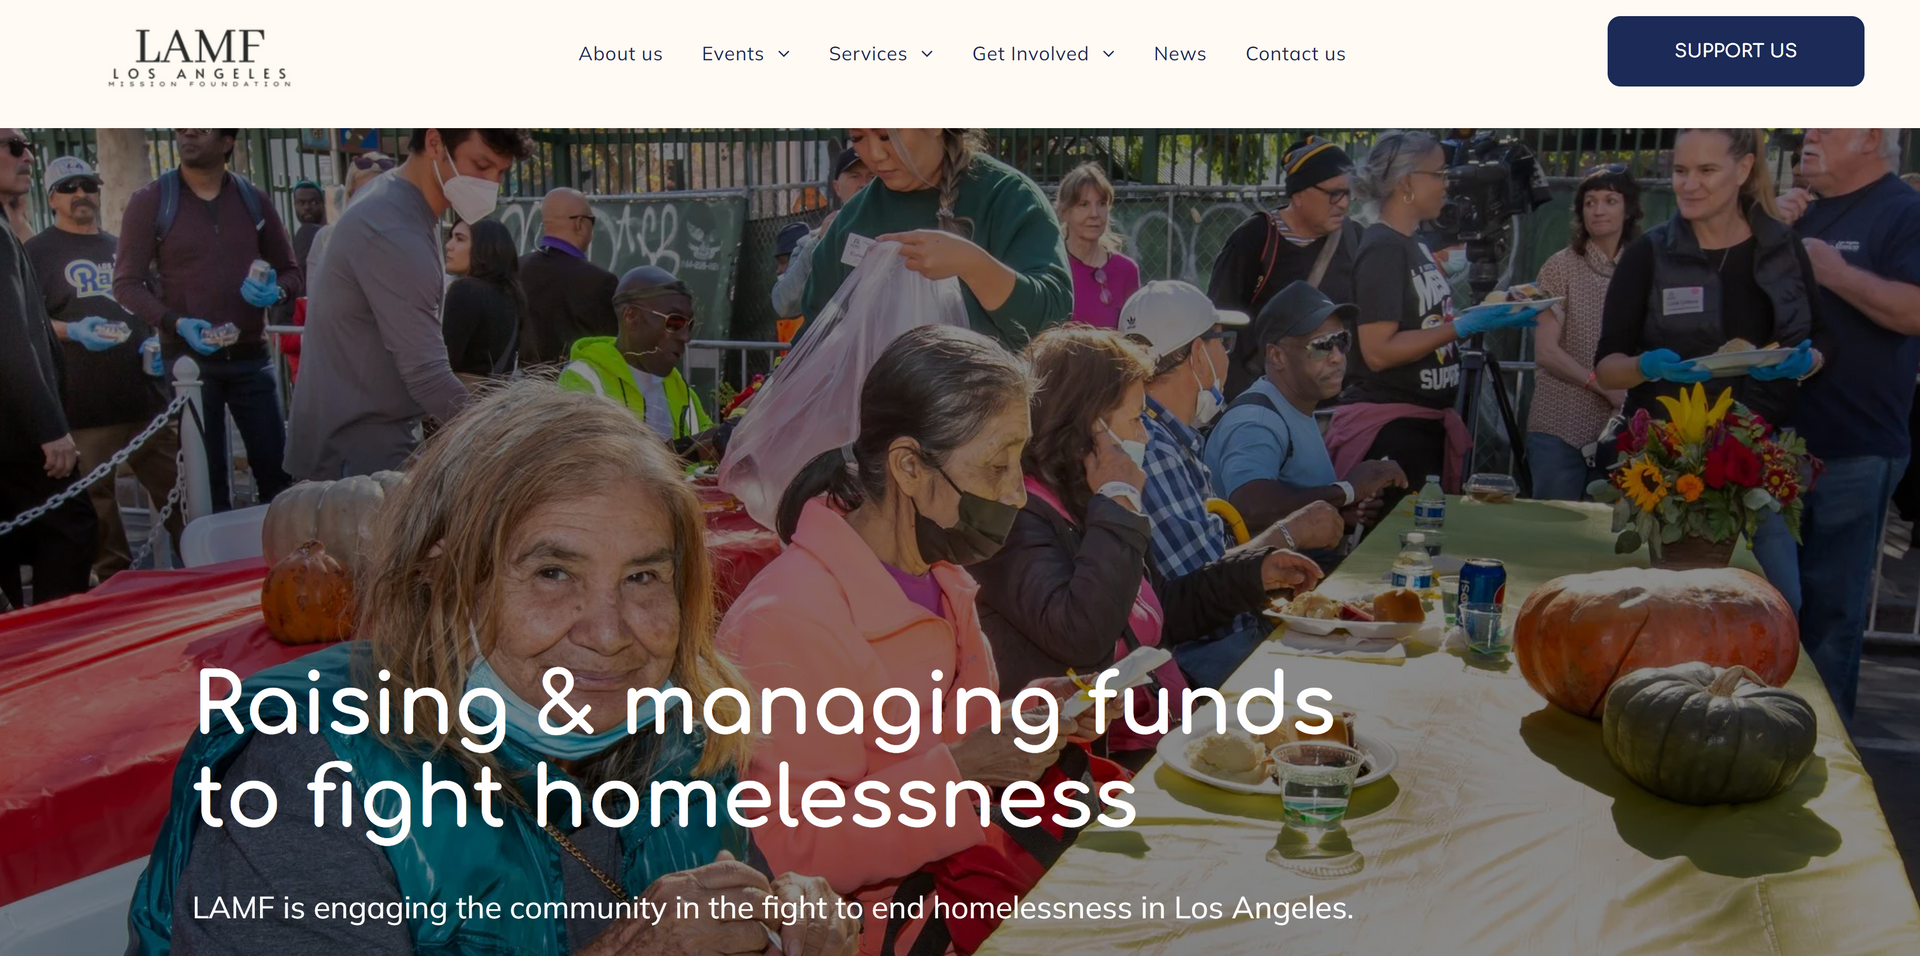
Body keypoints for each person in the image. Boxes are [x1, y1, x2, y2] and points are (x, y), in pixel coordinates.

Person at [127, 382, 860, 956]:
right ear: (446, 580)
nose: (610, 636)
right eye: (550, 573)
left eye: (642, 579)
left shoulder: (681, 737)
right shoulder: (316, 771)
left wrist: (785, 931)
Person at [718, 324, 1094, 954]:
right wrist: (966, 769)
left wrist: (1023, 723)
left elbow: (925, 739)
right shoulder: (783, 622)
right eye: (996, 464)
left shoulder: (941, 574)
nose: (1014, 494)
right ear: (909, 467)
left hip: (976, 889)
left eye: (1019, 463)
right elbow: (789, 851)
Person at [972, 325, 1325, 734]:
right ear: (1090, 426)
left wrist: (1251, 574)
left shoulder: (1086, 501)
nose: (1143, 436)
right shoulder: (1020, 516)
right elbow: (1084, 638)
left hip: (1158, 719)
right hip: (1084, 763)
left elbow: (1161, 611)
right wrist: (1119, 499)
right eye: (1135, 420)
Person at [1595, 128, 1826, 609]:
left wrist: (1804, 362)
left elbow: (1823, 339)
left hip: (1759, 466)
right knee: (1668, 611)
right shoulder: (1649, 254)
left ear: (1742, 171)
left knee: (1781, 606)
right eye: (1681, 171)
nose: (1689, 184)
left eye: (1706, 171)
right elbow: (1607, 368)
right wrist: (1646, 365)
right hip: (1667, 473)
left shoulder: (1784, 248)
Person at [1120, 281, 1347, 686]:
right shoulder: (1155, 450)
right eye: (1220, 342)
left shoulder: (1170, 438)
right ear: (1196, 354)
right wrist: (1288, 535)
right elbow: (1200, 594)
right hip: (1208, 662)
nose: (1226, 355)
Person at [286, 128, 534, 481]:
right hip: (356, 457)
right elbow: (428, 376)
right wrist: (508, 446)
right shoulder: (393, 228)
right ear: (435, 143)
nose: (491, 184)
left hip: (367, 441)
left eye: (501, 172)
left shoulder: (397, 200)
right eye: (481, 165)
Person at [1773, 128, 1920, 721]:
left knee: (1831, 615)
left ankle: (1822, 751)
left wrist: (1835, 273)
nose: (1809, 134)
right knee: (1772, 605)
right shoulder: (1796, 212)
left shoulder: (1904, 211)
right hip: (1777, 443)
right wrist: (1767, 232)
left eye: (1827, 125)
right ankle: (1761, 733)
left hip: (1854, 449)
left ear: (1872, 139)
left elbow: (1914, 311)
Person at [1332, 130, 1538, 503]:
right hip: (1393, 432)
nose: (1448, 183)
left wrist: (1489, 308)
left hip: (1424, 424)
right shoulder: (1383, 248)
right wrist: (1461, 326)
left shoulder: (1415, 244)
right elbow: (1378, 351)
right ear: (1406, 182)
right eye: (1439, 174)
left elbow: (1425, 323)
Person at [113, 128, 301, 511]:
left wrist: (276, 292)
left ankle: (281, 566)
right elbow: (126, 284)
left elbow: (291, 272)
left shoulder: (253, 200)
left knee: (277, 477)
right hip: (188, 363)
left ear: (228, 140)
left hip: (252, 357)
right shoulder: (151, 201)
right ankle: (212, 566)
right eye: (181, 123)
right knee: (205, 484)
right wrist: (176, 322)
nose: (188, 130)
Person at [24, 156, 181, 578]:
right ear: (52, 196)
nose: (81, 194)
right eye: (70, 187)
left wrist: (155, 335)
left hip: (145, 401)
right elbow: (25, 324)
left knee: (180, 492)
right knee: (98, 509)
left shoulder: (120, 245)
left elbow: (150, 302)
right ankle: (116, 586)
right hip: (84, 405)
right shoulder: (34, 253)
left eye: (88, 185)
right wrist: (72, 330)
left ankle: (202, 568)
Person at [802, 129, 1071, 347]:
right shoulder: (852, 220)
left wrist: (972, 265)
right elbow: (815, 335)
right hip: (874, 411)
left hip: (992, 409)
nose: (875, 154)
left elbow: (1049, 323)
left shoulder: (1008, 197)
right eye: (858, 138)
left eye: (887, 136)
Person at [1206, 281, 1408, 542]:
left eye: (1342, 341)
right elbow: (1250, 508)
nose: (1337, 357)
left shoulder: (1293, 404)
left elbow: (1287, 508)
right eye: (1321, 346)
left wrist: (1340, 513)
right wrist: (1347, 490)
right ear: (1276, 356)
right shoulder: (1256, 422)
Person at [0, 128, 94, 606]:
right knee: (70, 531)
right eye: (12, 146)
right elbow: (10, 339)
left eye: (27, 144)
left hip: (16, 432)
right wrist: (50, 427)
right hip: (19, 435)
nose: (27, 155)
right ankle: (57, 647)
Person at [1208, 137, 1363, 398]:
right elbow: (1218, 320)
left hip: (1337, 401)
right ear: (1299, 194)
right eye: (1334, 194)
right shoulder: (1256, 238)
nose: (1344, 203)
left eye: (1348, 193)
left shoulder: (1355, 238)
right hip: (1264, 396)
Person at [1525, 166, 1642, 500]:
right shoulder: (1559, 265)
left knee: (1606, 539)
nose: (1599, 210)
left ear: (1628, 208)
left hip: (1622, 425)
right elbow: (1546, 352)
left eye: (1610, 200)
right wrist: (1602, 385)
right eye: (1590, 202)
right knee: (1552, 535)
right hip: (1560, 424)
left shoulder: (1642, 268)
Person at [559, 265, 715, 452]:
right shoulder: (584, 379)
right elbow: (595, 464)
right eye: (674, 322)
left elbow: (707, 444)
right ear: (631, 317)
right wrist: (686, 450)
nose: (685, 337)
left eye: (689, 325)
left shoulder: (676, 385)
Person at [772, 147, 872, 337]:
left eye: (872, 177)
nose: (864, 184)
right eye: (855, 176)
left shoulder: (899, 232)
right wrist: (820, 243)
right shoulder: (810, 242)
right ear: (836, 187)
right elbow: (784, 305)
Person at [518, 187, 619, 367]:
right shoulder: (599, 282)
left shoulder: (516, 268)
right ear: (579, 223)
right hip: (578, 387)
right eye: (592, 221)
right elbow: (611, 349)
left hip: (521, 388)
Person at [1056, 162, 1141, 328]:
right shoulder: (1052, 265)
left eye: (1101, 204)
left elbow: (1135, 338)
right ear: (1065, 212)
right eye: (1084, 204)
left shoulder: (1127, 270)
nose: (1094, 214)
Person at [441, 218, 522, 386]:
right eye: (451, 237)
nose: (449, 245)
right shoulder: (512, 295)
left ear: (484, 248)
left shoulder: (466, 290)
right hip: (493, 400)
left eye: (460, 238)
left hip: (459, 399)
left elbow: (444, 362)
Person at [289, 179, 326, 266]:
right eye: (301, 203)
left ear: (323, 204)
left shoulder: (306, 232)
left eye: (313, 202)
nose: (307, 207)